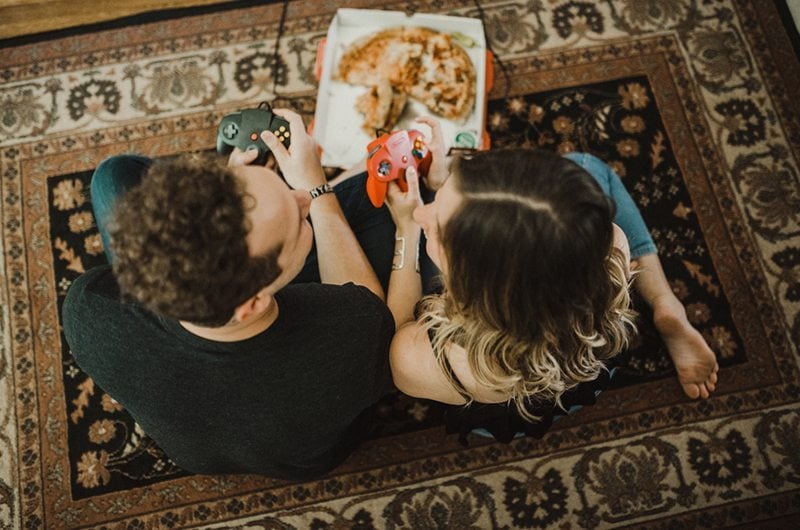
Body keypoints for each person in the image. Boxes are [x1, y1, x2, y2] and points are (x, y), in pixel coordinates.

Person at [62, 109, 402, 480]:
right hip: (308, 455)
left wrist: (224, 195)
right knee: (372, 204)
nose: (300, 197)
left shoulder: (87, 305)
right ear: (254, 302)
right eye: (297, 219)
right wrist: (318, 189)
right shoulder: (349, 332)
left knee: (114, 176)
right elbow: (369, 307)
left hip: (199, 447)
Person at [382, 117, 720, 443]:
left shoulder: (458, 360)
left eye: (438, 228)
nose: (421, 211)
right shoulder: (606, 242)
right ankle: (664, 301)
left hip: (510, 401)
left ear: (476, 289)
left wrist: (407, 232)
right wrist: (444, 182)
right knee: (586, 165)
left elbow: (397, 339)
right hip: (591, 358)